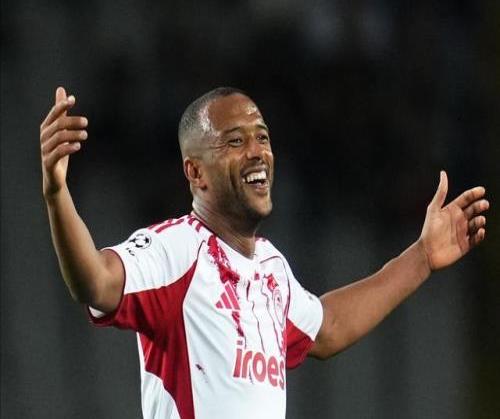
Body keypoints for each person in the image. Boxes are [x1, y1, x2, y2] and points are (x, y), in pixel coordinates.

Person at [40, 86, 489, 419]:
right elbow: (94, 281)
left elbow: (328, 327)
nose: (257, 152)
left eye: (262, 137)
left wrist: (422, 257)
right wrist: (57, 192)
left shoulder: (271, 268)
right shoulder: (176, 251)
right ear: (195, 172)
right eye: (235, 142)